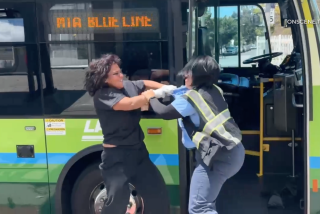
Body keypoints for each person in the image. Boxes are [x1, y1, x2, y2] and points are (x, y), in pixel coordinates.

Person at [142, 55, 246, 214]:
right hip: (231, 152)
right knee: (207, 204)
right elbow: (185, 96)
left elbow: (164, 112)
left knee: (199, 208)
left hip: (218, 157)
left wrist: (150, 97)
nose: (185, 75)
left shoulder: (191, 99)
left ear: (198, 76)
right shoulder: (214, 90)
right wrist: (167, 90)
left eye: (188, 73)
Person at [84, 53, 176, 214]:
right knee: (117, 204)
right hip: (117, 158)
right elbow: (130, 104)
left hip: (138, 152)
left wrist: (164, 88)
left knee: (157, 194)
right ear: (104, 78)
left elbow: (143, 83)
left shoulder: (127, 86)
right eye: (116, 73)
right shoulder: (103, 95)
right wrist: (152, 94)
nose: (121, 75)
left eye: (120, 71)